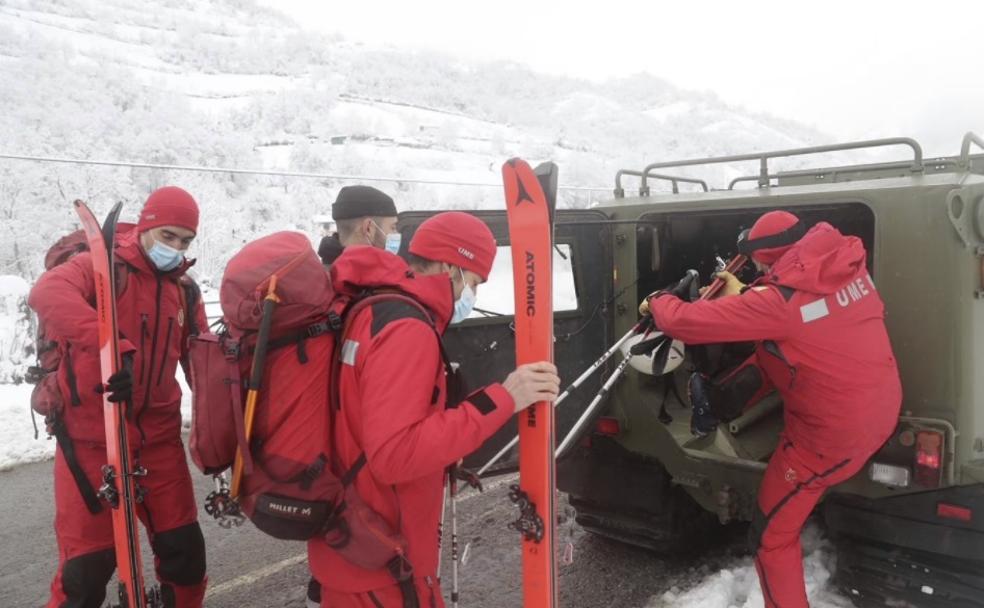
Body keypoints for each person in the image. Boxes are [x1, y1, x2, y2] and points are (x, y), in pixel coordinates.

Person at [640, 210, 902, 608]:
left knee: (770, 536)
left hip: (830, 438)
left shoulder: (779, 307)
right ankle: (723, 402)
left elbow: (687, 323)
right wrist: (747, 296)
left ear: (767, 255)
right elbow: (806, 313)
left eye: (756, 261)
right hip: (878, 404)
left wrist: (660, 301)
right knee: (773, 348)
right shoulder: (842, 265)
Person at [308, 211, 560, 607]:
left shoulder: (373, 308)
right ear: (449, 265)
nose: (470, 295)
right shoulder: (407, 330)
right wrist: (504, 397)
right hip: (385, 563)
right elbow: (394, 455)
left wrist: (441, 451)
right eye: (473, 281)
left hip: (355, 543)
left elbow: (371, 423)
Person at [30, 186, 209, 607]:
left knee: (185, 555)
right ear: (146, 227)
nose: (176, 248)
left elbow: (200, 359)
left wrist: (222, 419)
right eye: (168, 236)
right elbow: (46, 294)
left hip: (159, 441)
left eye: (186, 241)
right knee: (86, 574)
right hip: (94, 439)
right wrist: (113, 347)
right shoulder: (100, 267)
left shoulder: (184, 289)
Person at [317, 185, 401, 266]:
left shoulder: (324, 275)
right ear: (368, 229)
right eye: (393, 227)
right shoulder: (373, 278)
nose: (396, 233)